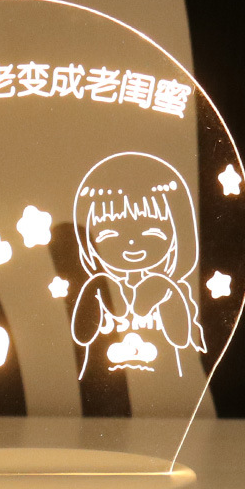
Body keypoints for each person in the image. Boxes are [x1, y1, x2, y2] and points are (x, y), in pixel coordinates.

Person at [72, 152, 205, 380]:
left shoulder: (171, 288)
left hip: (169, 386)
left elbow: (183, 339)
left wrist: (166, 291)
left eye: (152, 232)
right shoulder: (97, 287)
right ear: (88, 244)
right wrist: (95, 292)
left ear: (178, 235)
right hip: (99, 387)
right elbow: (81, 336)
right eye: (109, 234)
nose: (131, 242)